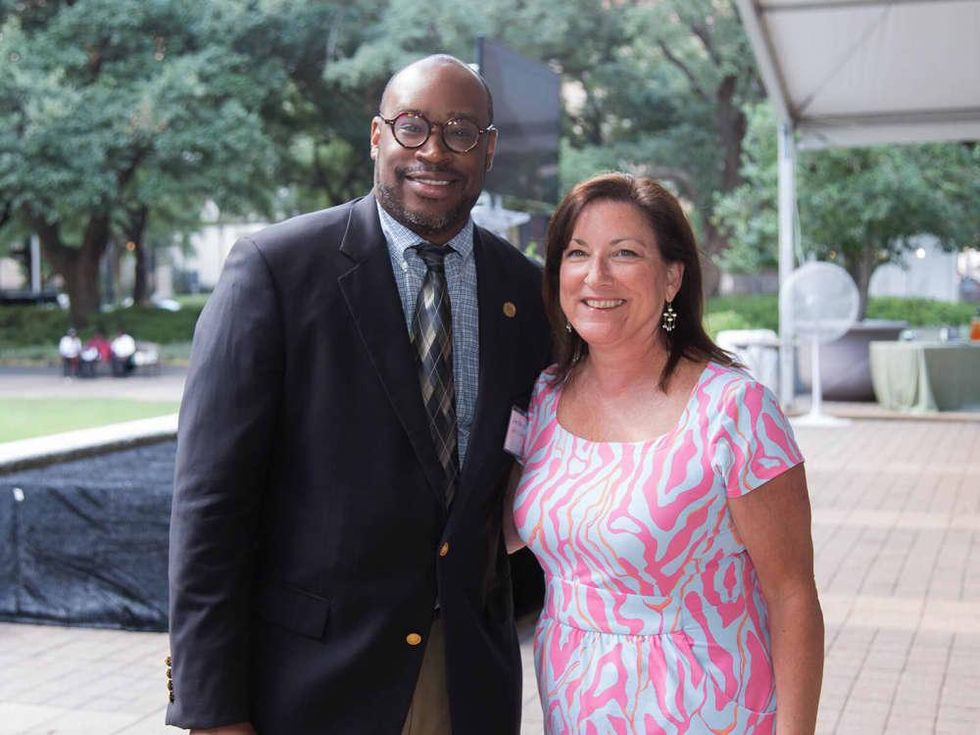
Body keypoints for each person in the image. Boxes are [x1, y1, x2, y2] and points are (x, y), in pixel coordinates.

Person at [167, 55, 551, 735]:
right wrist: (212, 710)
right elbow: (210, 509)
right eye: (412, 127)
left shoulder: (524, 291)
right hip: (312, 687)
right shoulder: (275, 271)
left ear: (488, 149)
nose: (434, 150)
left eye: (461, 131)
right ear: (377, 137)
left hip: (469, 684)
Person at [506, 173, 823, 734]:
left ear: (672, 276)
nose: (596, 275)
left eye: (624, 253)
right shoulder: (545, 394)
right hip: (574, 709)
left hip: (707, 711)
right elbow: (503, 532)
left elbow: (791, 593)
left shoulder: (735, 410)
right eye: (577, 253)